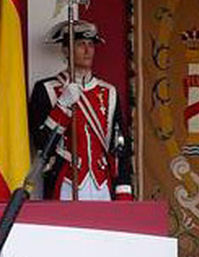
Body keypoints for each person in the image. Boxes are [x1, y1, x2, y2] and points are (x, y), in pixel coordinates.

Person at [28, 20, 132, 201]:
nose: (87, 50)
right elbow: (41, 142)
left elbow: (120, 146)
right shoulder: (47, 89)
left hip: (103, 184)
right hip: (66, 182)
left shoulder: (108, 92)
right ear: (66, 51)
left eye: (91, 44)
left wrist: (123, 193)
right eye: (80, 44)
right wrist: (62, 106)